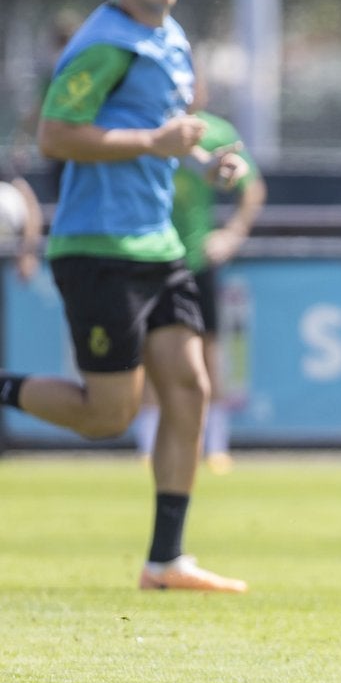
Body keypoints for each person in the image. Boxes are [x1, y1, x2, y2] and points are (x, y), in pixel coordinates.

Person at [0, 0, 247, 592]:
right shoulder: (102, 42)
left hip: (158, 245)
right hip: (98, 249)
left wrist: (208, 159)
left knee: (192, 386)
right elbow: (55, 134)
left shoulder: (172, 39)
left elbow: (176, 127)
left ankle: (165, 560)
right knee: (108, 414)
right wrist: (155, 143)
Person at [131, 109, 266, 473]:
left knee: (208, 352)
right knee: (149, 352)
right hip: (145, 257)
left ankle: (216, 446)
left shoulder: (215, 132)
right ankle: (147, 445)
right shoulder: (145, 124)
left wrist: (232, 234)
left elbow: (250, 187)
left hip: (194, 262)